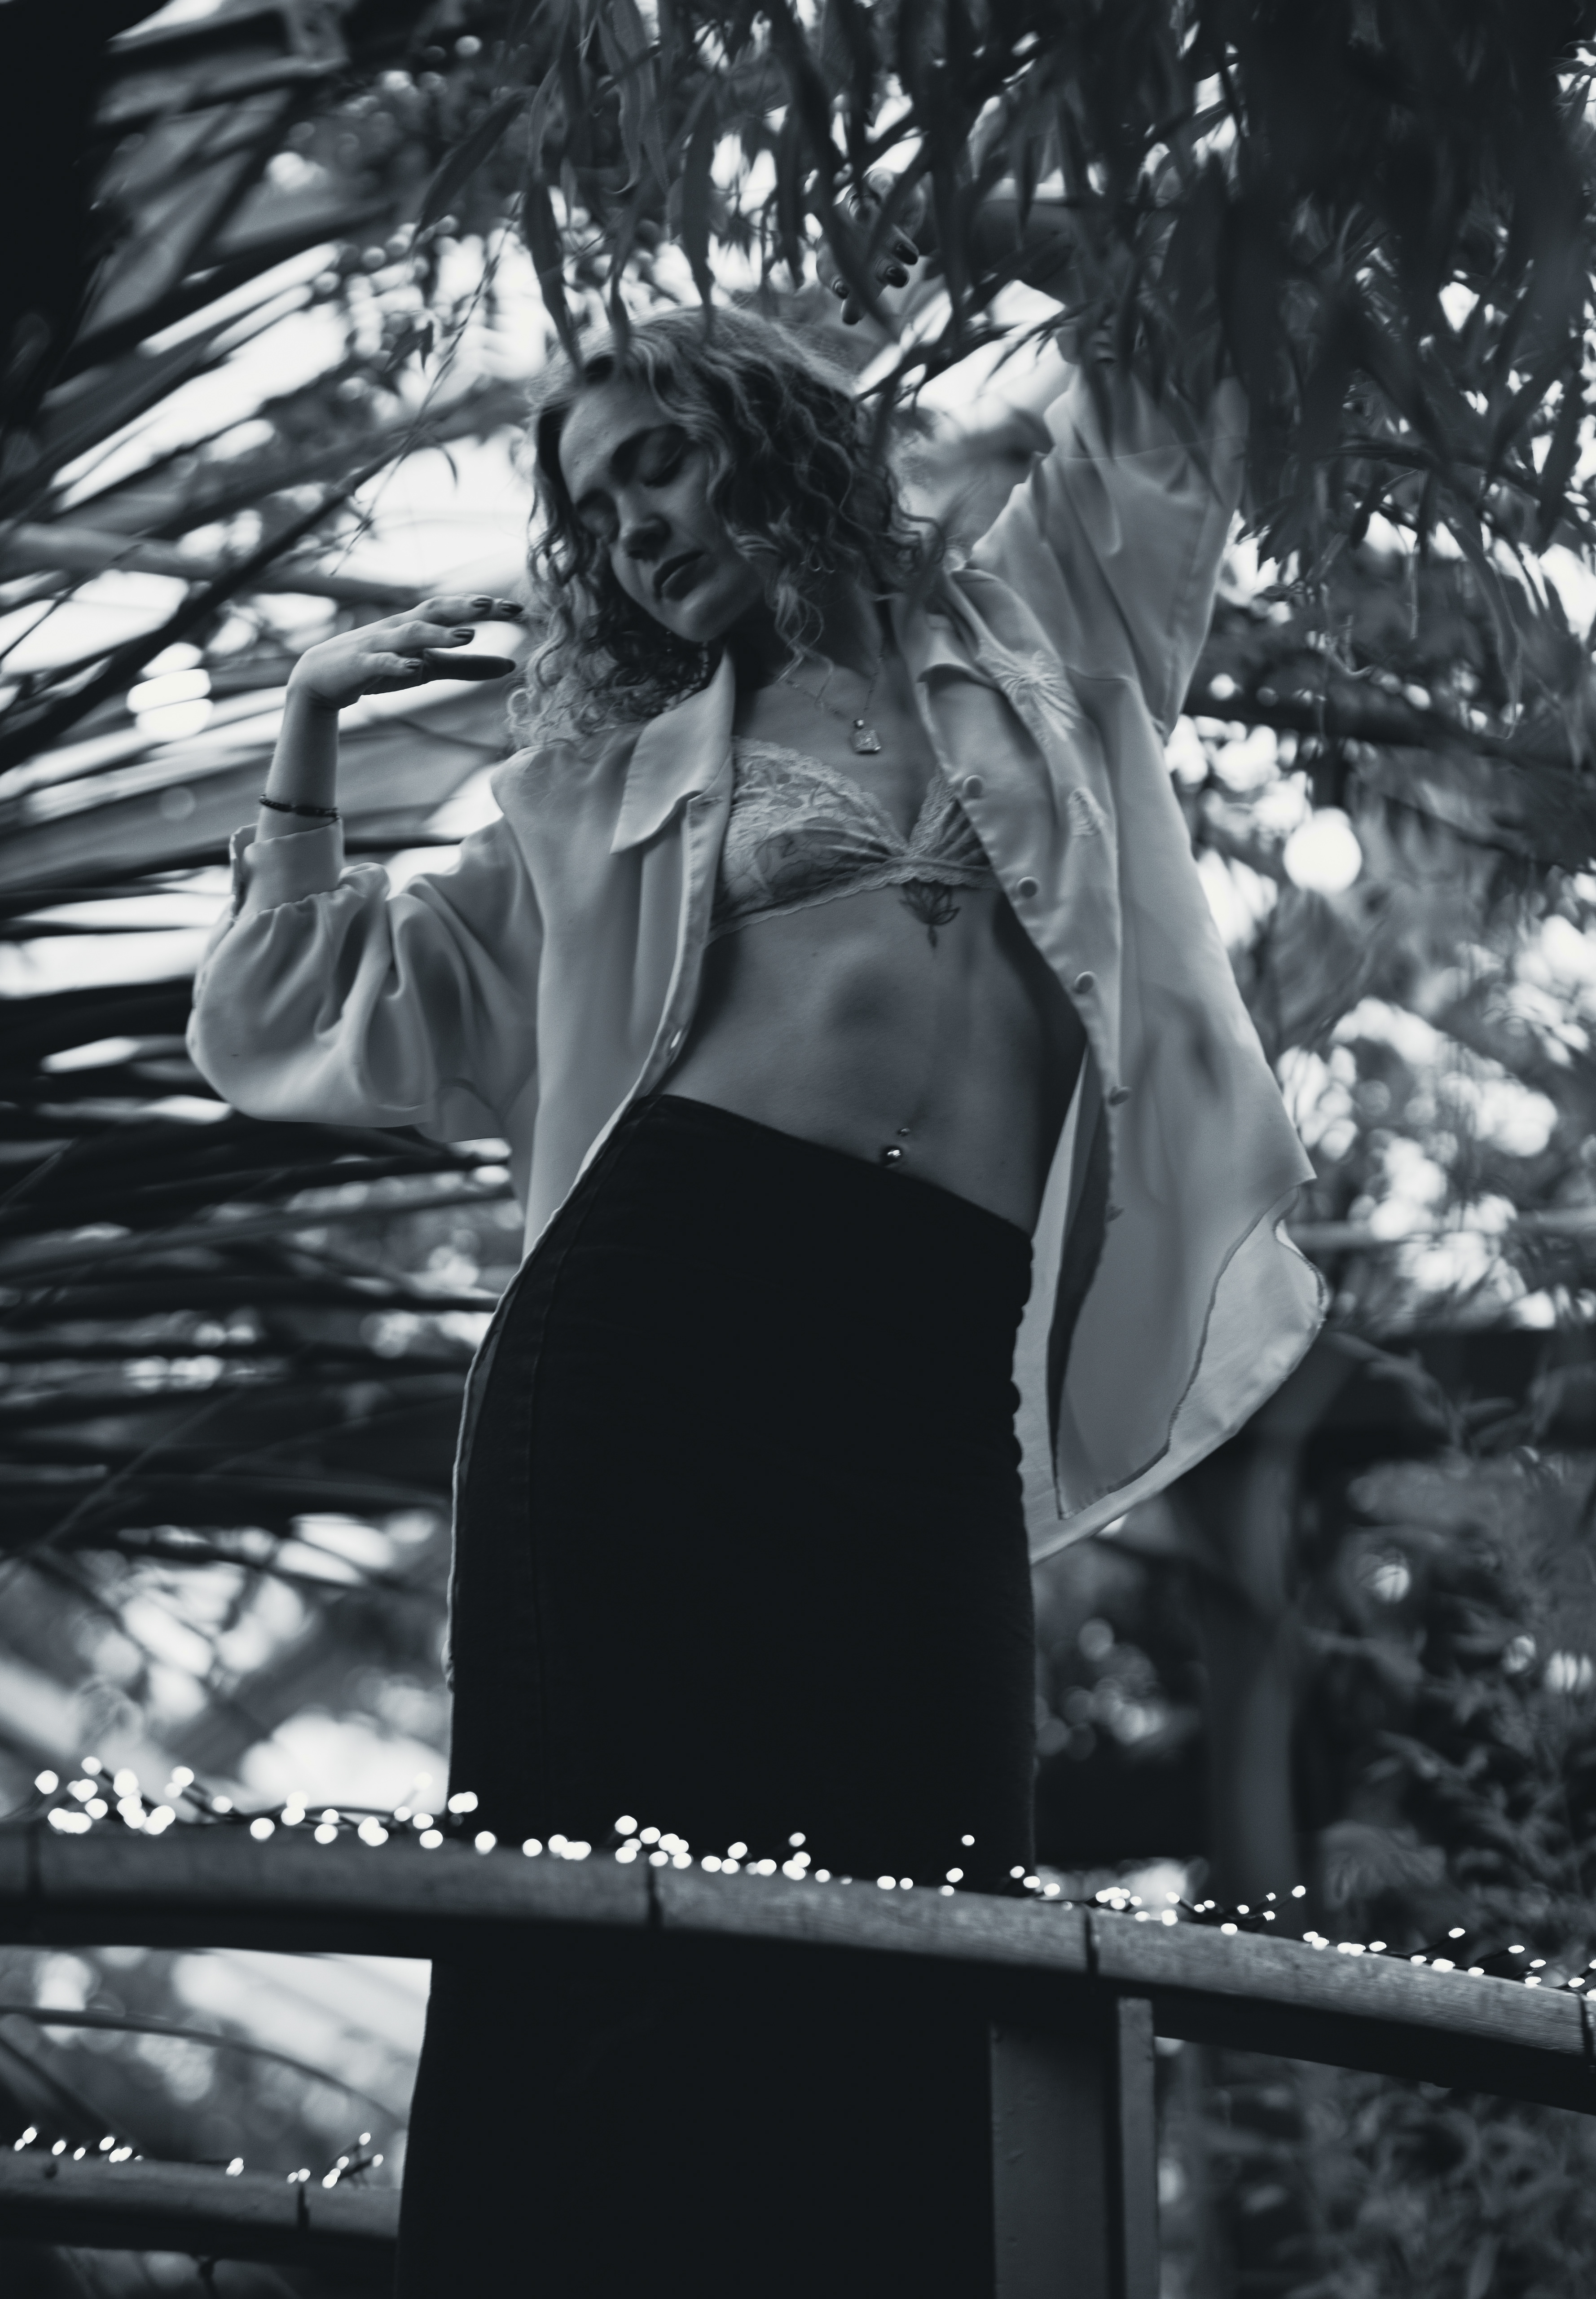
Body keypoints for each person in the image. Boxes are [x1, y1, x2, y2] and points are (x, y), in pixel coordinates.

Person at [188, 202, 1321, 2295]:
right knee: (599, 1918)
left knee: (926, 1899)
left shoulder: (1050, 621)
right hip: (653, 1338)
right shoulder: (602, 789)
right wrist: (315, 723)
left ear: (770, 433)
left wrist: (1026, 193)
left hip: (922, 1364)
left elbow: (1182, 360)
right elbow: (291, 1008)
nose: (630, 529)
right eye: (595, 510)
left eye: (660, 462)